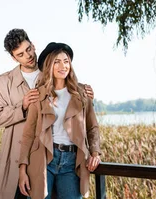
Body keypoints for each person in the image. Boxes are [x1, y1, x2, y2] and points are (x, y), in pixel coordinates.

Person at [0, 29, 95, 199]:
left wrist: (87, 95)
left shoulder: (52, 70)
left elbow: (74, 100)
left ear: (33, 45)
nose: (28, 56)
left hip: (48, 155)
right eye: (21, 54)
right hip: (17, 155)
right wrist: (22, 106)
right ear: (14, 57)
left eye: (29, 49)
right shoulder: (3, 82)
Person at [17, 42, 102, 199]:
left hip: (72, 162)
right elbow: (28, 135)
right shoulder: (38, 94)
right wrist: (22, 170)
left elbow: (92, 127)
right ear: (49, 65)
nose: (63, 66)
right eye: (57, 61)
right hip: (42, 159)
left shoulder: (82, 92)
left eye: (66, 61)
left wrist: (95, 152)